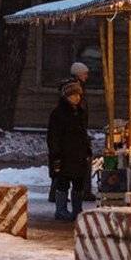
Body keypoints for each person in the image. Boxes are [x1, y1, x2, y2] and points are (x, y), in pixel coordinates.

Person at [47, 79, 92, 221]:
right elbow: (53, 136)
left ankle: (77, 209)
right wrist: (56, 154)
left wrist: (87, 150)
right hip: (64, 154)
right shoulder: (58, 113)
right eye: (73, 95)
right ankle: (61, 210)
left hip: (78, 154)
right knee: (62, 182)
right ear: (66, 97)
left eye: (78, 95)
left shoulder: (81, 112)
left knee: (79, 182)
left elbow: (83, 133)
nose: (77, 98)